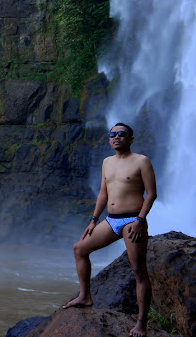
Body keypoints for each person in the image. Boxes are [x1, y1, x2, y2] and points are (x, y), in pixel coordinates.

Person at [63, 123, 157, 337]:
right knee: (79, 249)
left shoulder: (142, 161)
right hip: (111, 220)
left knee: (138, 271)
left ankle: (142, 323)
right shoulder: (106, 162)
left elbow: (151, 194)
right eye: (112, 134)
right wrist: (93, 220)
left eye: (121, 134)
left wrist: (141, 220)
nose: (116, 137)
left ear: (131, 138)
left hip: (133, 220)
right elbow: (103, 194)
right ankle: (85, 296)